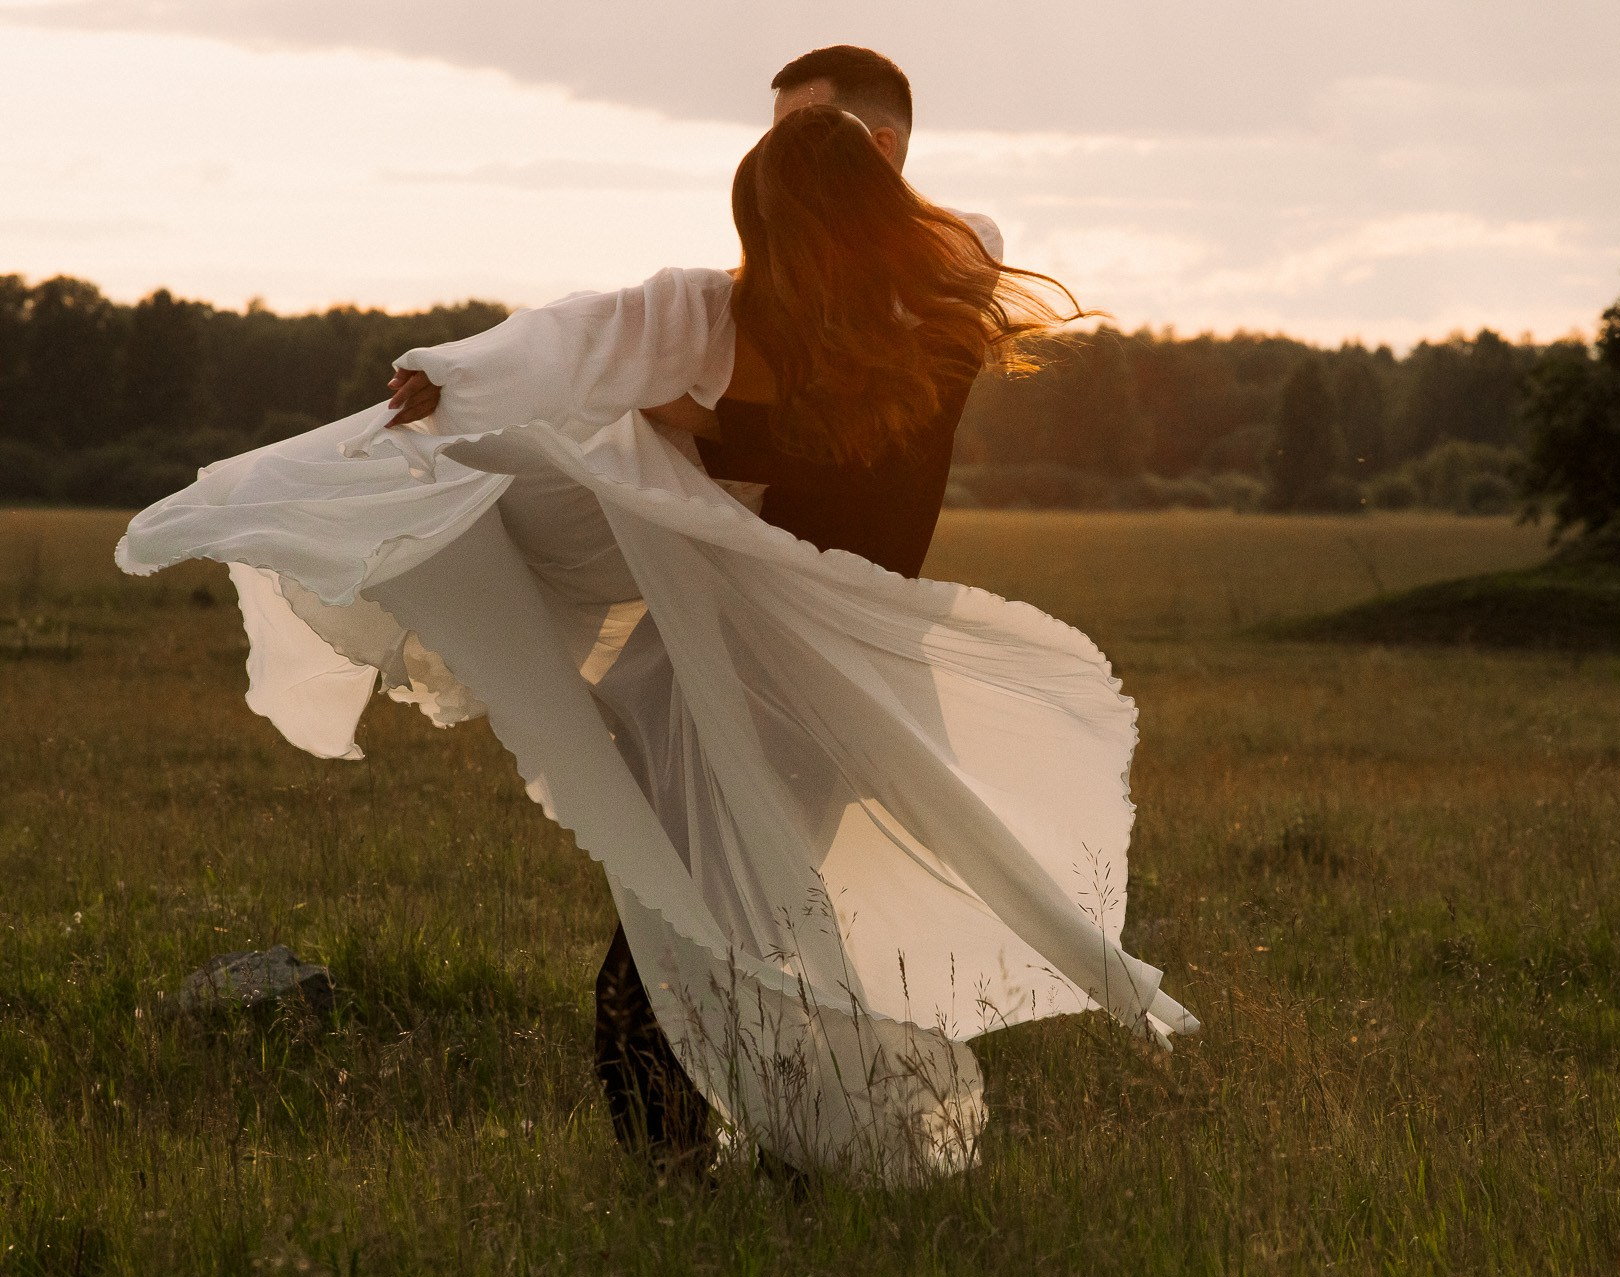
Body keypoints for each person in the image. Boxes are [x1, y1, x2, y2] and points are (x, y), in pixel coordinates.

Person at [121, 84, 1197, 1188]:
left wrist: (567, 390)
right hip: (785, 656)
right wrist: (473, 373)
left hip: (804, 659)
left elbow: (616, 342)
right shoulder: (853, 300)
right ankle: (753, 1147)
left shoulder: (836, 305)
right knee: (729, 904)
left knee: (718, 909)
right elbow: (593, 332)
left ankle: (724, 1152)